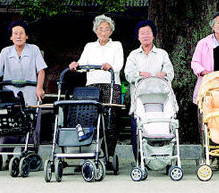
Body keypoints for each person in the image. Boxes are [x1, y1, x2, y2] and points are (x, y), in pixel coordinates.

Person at [68, 14, 124, 167]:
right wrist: (75, 65)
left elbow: (119, 65)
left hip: (111, 86)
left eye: (106, 29)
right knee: (88, 119)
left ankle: (109, 156)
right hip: (92, 87)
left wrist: (110, 67)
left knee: (110, 122)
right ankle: (88, 155)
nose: (103, 32)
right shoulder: (89, 46)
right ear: (96, 31)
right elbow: (82, 64)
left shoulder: (117, 45)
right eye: (100, 29)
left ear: (111, 31)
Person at [0, 20, 47, 155]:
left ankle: (30, 153)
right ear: (11, 37)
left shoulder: (34, 50)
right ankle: (6, 152)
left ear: (26, 36)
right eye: (15, 33)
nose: (18, 36)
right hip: (11, 95)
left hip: (30, 94)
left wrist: (39, 88)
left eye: (21, 33)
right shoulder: (5, 52)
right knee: (9, 123)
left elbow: (41, 70)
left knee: (31, 123)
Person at [124, 19, 174, 160]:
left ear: (153, 35)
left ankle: (164, 158)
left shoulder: (162, 54)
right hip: (139, 99)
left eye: (148, 33)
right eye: (142, 33)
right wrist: (139, 74)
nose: (145, 36)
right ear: (138, 37)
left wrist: (164, 74)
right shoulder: (133, 55)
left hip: (160, 100)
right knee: (137, 127)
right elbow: (128, 74)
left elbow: (170, 72)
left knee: (162, 128)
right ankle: (139, 159)